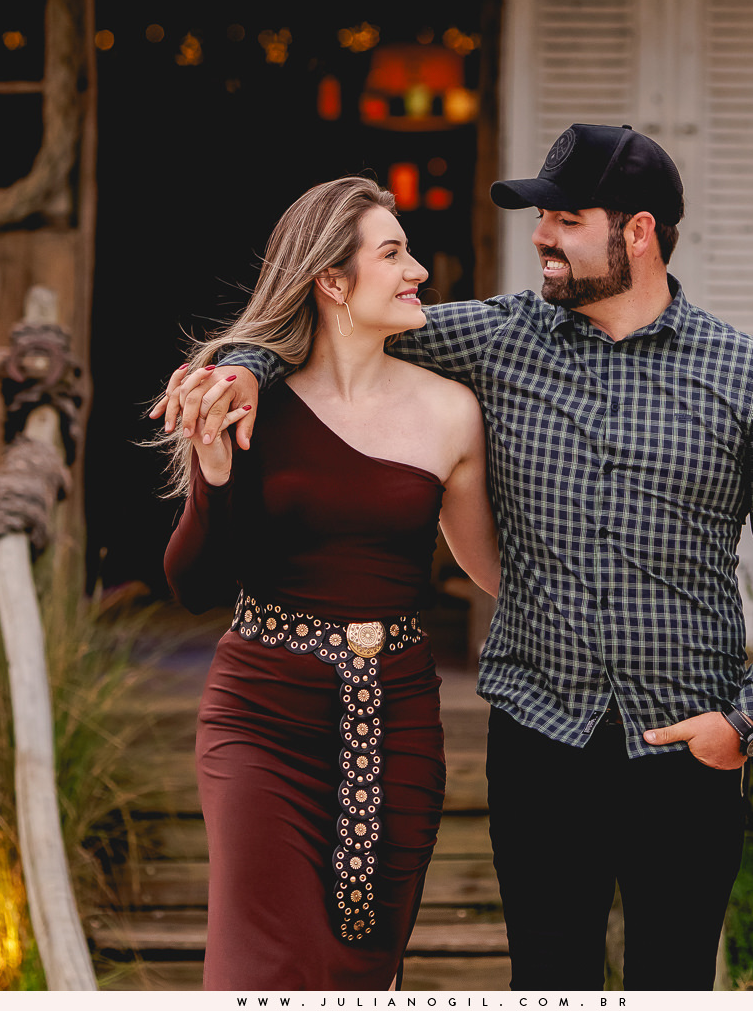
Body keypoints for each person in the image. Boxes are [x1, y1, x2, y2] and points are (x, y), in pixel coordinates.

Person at [158, 125, 753, 991]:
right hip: (541, 739)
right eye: (539, 217)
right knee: (546, 981)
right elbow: (339, 324)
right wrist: (249, 365)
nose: (540, 238)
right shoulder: (500, 337)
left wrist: (747, 718)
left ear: (636, 233)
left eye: (564, 218)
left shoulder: (748, 377)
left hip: (685, 741)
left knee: (673, 981)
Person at [158, 176, 498, 991]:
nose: (418, 269)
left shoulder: (453, 411)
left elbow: (494, 571)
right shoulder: (247, 401)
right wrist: (213, 473)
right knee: (264, 966)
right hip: (261, 718)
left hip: (399, 718)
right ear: (333, 283)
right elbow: (192, 584)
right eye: (394, 254)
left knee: (363, 968)